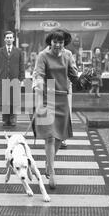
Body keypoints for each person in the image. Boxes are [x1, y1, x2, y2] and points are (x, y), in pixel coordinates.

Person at [32, 28, 90, 188]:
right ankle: (52, 172)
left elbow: (73, 75)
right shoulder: (43, 56)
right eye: (55, 41)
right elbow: (39, 74)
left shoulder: (68, 55)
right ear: (50, 42)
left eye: (61, 42)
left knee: (59, 136)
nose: (58, 44)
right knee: (50, 136)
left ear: (64, 43)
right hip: (47, 97)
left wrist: (83, 80)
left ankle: (48, 162)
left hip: (63, 97)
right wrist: (39, 84)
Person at [0, 31, 25, 126]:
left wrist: (21, 78)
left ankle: (13, 118)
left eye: (11, 38)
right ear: (4, 39)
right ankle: (5, 119)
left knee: (14, 100)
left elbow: (21, 65)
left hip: (15, 79)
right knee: (4, 100)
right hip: (3, 78)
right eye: (7, 38)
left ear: (13, 39)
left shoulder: (18, 51)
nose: (9, 39)